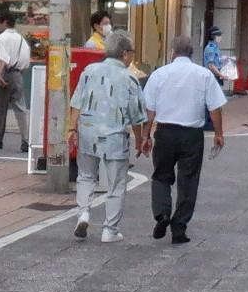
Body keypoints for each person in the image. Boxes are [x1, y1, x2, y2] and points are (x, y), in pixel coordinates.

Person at [140, 34, 227, 245]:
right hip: (192, 134)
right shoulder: (203, 75)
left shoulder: (159, 74)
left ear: (172, 52)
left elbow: (149, 109)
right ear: (192, 53)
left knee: (161, 175)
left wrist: (146, 136)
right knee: (188, 180)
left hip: (165, 131)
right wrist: (218, 133)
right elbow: (215, 107)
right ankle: (179, 227)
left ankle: (162, 214)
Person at [69, 31, 148, 243]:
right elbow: (137, 116)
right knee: (116, 185)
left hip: (87, 131)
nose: (132, 56)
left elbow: (76, 102)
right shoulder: (130, 78)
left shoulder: (89, 71)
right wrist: (140, 139)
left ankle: (84, 213)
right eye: (131, 52)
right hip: (115, 137)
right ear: (124, 54)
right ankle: (109, 230)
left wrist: (71, 129)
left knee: (85, 176)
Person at [0, 10, 31, 152]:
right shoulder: (22, 39)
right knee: (20, 109)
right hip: (18, 74)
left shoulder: (2, 37)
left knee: (0, 109)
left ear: (4, 22)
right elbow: (25, 60)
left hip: (6, 73)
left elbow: (2, 58)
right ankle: (26, 140)